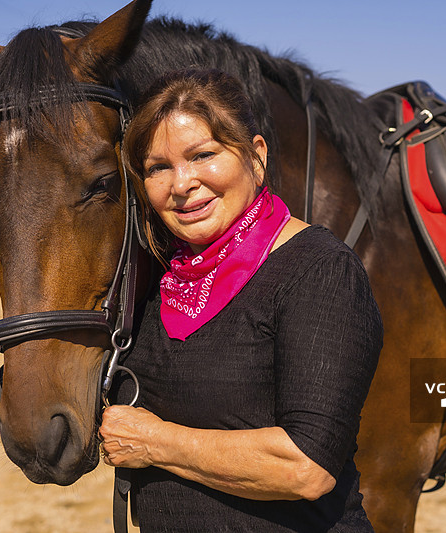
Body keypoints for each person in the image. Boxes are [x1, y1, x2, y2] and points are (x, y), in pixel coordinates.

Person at [100, 68, 382, 532]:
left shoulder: (319, 271)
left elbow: (305, 467)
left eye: (203, 155)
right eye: (158, 167)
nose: (181, 183)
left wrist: (156, 443)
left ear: (256, 155)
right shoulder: (157, 278)